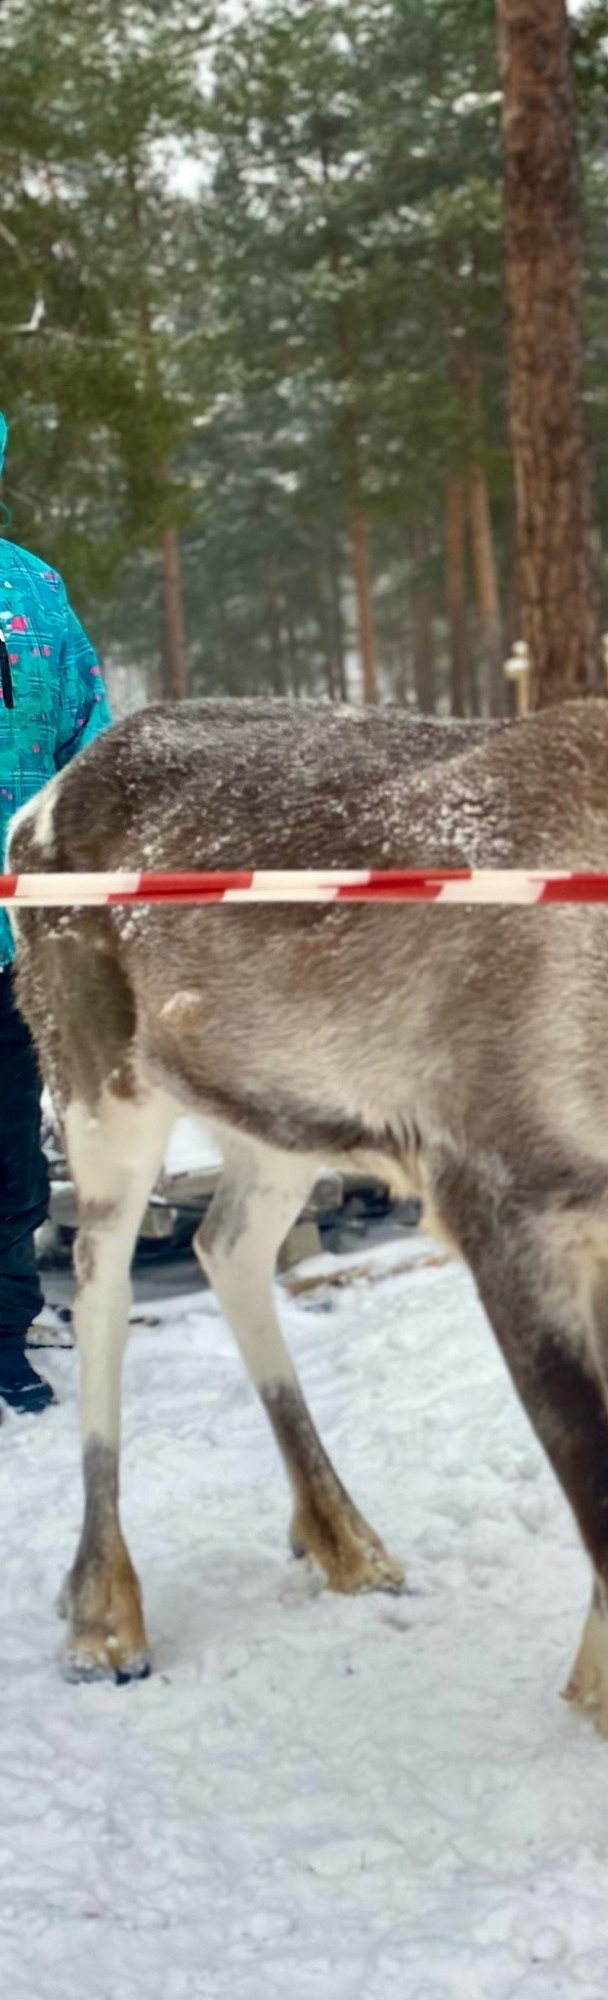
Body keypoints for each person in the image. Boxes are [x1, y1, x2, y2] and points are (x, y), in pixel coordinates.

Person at [0, 409, 115, 1417]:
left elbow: (90, 735)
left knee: (9, 1146)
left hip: (20, 931)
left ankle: (6, 1329)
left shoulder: (35, 589)